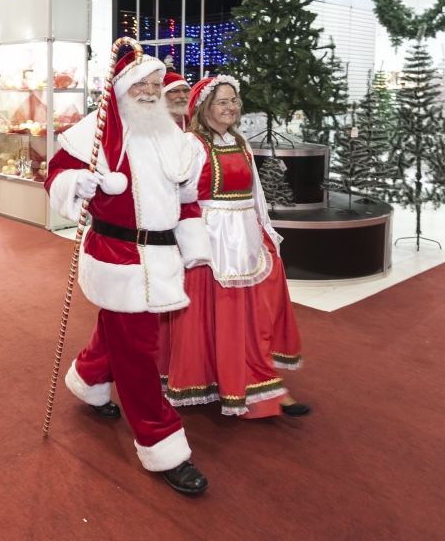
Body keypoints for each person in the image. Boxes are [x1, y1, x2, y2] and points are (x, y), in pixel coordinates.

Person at [44, 51, 208, 496]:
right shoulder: (92, 133)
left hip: (162, 254)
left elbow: (188, 196)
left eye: (157, 85)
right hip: (119, 256)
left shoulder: (172, 136)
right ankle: (162, 444)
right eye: (142, 85)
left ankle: (89, 377)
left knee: (120, 332)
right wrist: (75, 185)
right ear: (121, 89)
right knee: (138, 350)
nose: (152, 93)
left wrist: (194, 244)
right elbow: (55, 174)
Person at [157, 75, 308, 419]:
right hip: (208, 243)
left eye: (234, 101)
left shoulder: (240, 142)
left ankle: (261, 383)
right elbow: (180, 197)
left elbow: (257, 196)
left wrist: (267, 230)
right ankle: (213, 377)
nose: (230, 107)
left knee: (249, 317)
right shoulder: (192, 144)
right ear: (205, 106)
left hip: (244, 241)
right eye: (222, 101)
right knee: (210, 315)